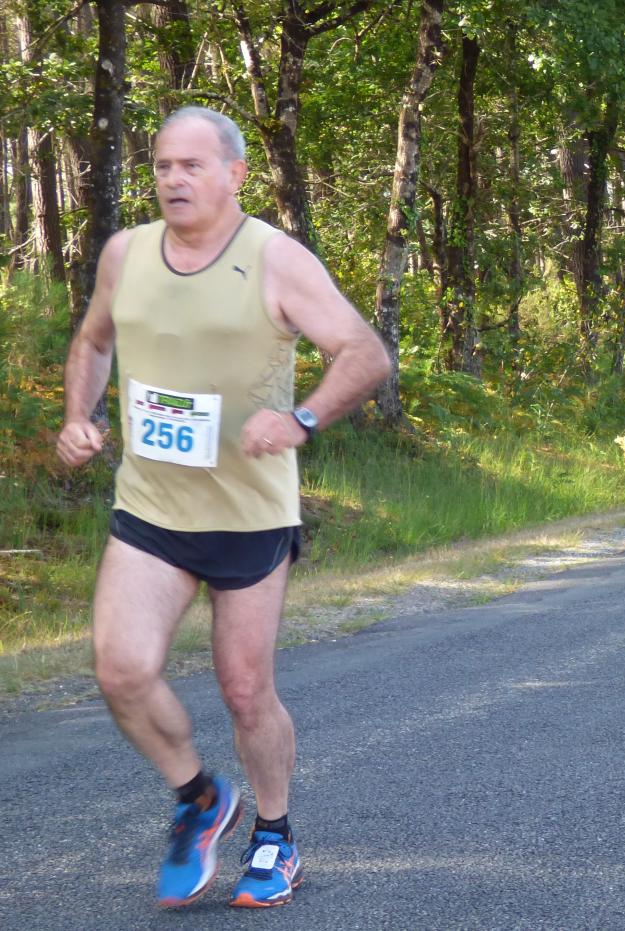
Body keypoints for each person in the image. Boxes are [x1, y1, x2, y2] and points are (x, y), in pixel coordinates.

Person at [56, 107, 391, 908]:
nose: (173, 178)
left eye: (192, 166)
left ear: (235, 175)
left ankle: (275, 835)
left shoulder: (275, 259)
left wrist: (302, 417)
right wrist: (80, 415)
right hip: (150, 507)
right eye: (164, 165)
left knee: (245, 690)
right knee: (121, 671)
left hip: (247, 513)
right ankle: (200, 796)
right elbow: (95, 339)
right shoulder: (125, 254)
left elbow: (365, 352)